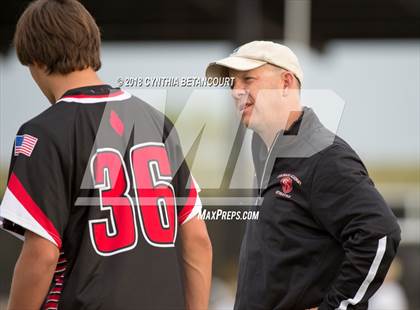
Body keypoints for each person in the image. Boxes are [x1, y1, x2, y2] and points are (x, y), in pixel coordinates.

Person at [0, 0, 212, 309]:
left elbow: (41, 255)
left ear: (35, 59)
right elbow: (197, 241)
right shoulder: (157, 122)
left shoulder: (42, 134)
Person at [206, 41, 401, 310]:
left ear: (286, 83)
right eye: (231, 84)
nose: (236, 92)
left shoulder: (324, 154)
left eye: (247, 79)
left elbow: (380, 233)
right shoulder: (264, 151)